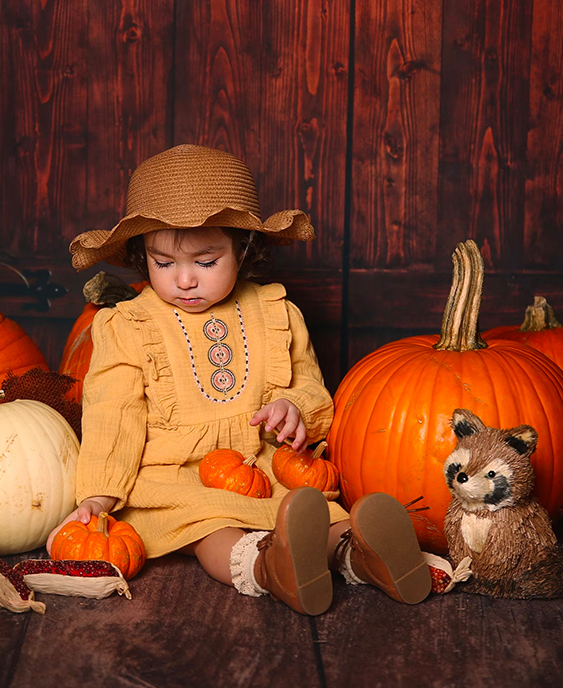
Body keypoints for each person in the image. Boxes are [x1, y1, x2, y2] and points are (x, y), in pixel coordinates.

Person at [49, 144, 431, 614]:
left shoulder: (275, 313)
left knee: (310, 512)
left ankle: (365, 556)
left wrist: (295, 408)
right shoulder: (128, 324)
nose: (183, 279)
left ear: (243, 249)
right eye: (163, 262)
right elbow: (114, 414)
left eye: (205, 262)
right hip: (172, 475)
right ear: (141, 254)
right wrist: (98, 496)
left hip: (259, 464)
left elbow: (312, 388)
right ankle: (268, 569)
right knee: (208, 527)